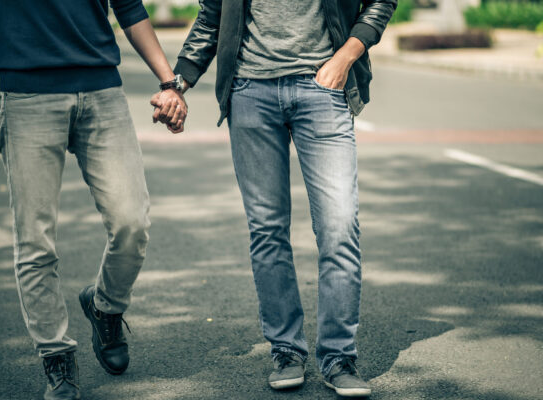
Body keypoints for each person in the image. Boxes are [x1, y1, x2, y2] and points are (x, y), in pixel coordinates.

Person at [152, 0, 395, 397]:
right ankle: (286, 350)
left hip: (322, 88)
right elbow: (213, 17)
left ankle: (339, 356)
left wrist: (346, 56)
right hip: (250, 92)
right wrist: (177, 83)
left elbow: (380, 1)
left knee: (339, 227)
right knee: (267, 229)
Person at [0, 1, 187, 399]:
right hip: (26, 96)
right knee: (35, 242)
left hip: (102, 90)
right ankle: (57, 357)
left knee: (132, 222)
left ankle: (105, 307)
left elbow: (128, 6)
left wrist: (169, 83)